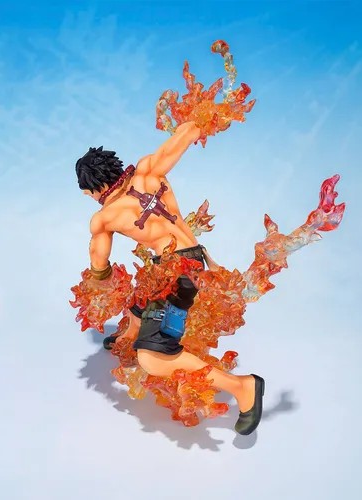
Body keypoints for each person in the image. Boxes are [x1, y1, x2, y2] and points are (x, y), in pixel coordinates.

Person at [75, 121, 264, 435]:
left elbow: (99, 265)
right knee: (141, 292)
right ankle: (129, 337)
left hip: (180, 274)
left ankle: (242, 387)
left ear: (91, 190)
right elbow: (187, 133)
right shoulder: (148, 171)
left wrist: (98, 282)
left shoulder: (104, 218)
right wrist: (203, 116)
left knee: (152, 359)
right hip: (192, 257)